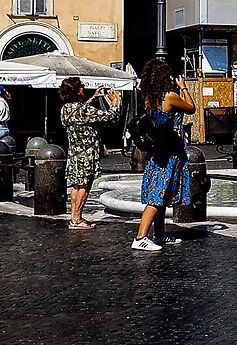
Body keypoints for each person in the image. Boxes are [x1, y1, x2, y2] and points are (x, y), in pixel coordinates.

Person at [131, 58, 197, 252]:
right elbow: (191, 108)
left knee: (163, 193)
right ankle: (140, 237)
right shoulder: (169, 96)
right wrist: (184, 87)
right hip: (170, 151)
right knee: (157, 195)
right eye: (168, 75)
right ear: (163, 77)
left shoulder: (150, 98)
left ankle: (159, 234)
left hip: (157, 151)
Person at [55, 78, 119, 231]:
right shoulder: (83, 111)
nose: (83, 88)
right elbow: (110, 117)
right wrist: (115, 103)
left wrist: (93, 98)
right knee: (84, 185)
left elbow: (80, 111)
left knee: (76, 186)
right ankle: (77, 219)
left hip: (74, 153)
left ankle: (73, 217)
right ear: (78, 91)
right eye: (81, 87)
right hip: (87, 153)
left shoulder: (66, 109)